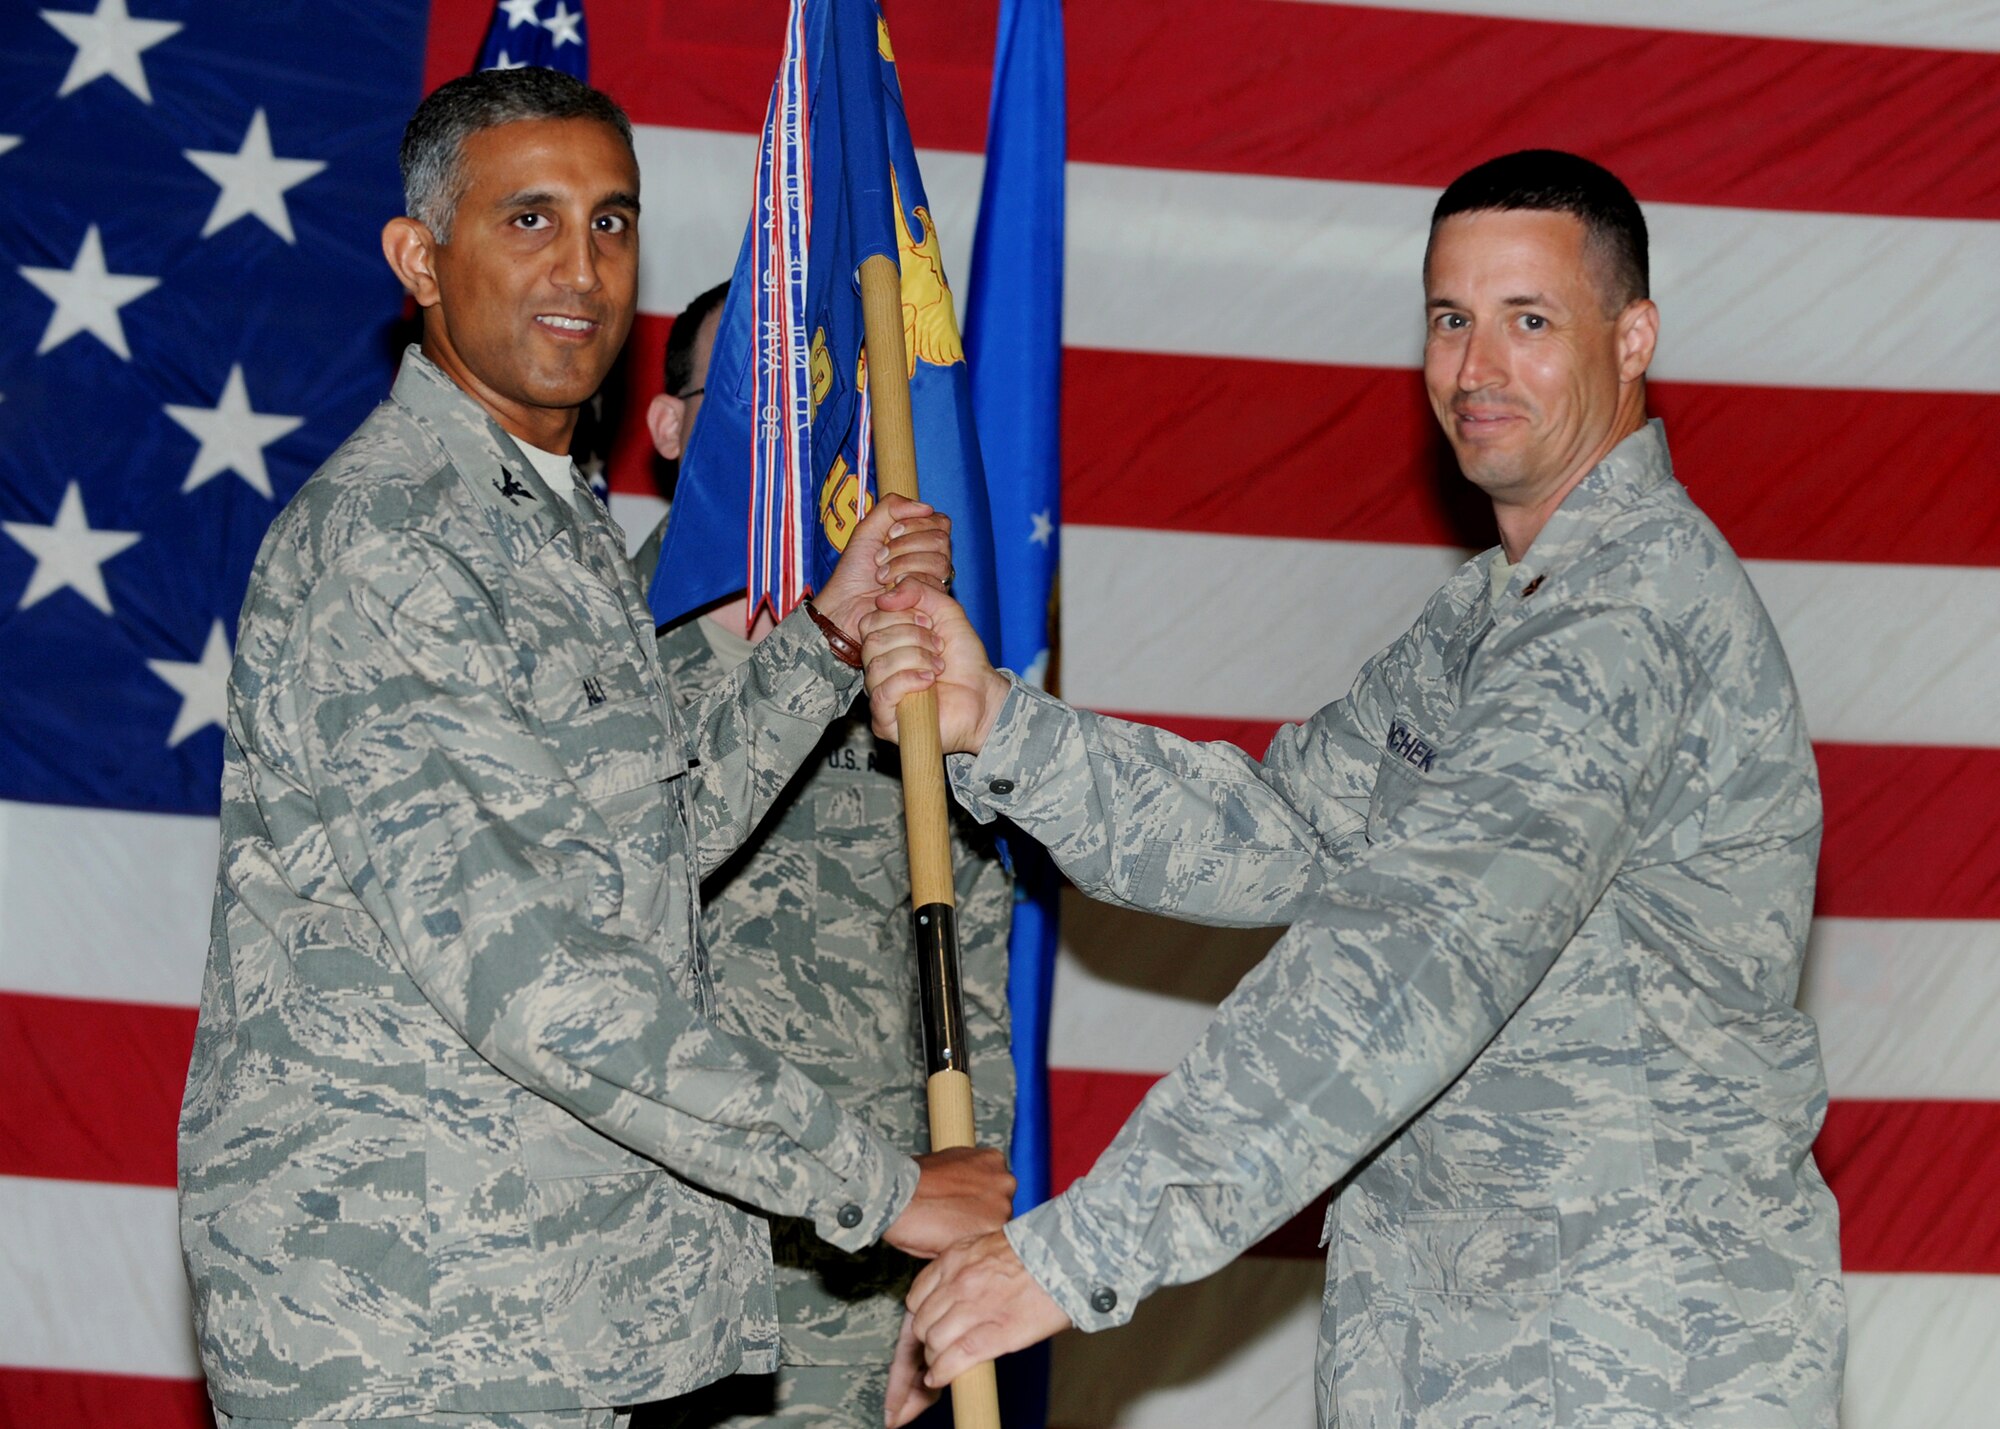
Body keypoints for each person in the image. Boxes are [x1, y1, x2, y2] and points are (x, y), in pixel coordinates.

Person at [866, 149, 1843, 1426]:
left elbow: (1412, 952)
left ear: (1632, 337)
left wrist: (1073, 1254)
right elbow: (1282, 830)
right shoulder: (1490, 616)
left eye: (1528, 321)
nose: (1475, 368)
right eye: (1449, 319)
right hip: (1465, 1348)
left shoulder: (1626, 616)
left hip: (1626, 1355)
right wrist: (996, 723)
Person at [176, 66, 1013, 1427]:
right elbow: (527, 966)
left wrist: (821, 640)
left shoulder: (543, 522)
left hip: (532, 1303)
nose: (581, 269)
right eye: (529, 220)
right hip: (407, 1315)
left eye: (610, 223)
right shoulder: (393, 537)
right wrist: (878, 1183)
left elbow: (637, 852)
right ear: (419, 260)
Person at [625, 282, 1014, 1429]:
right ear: (670, 427)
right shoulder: (592, 647)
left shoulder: (907, 667)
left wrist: (950, 1275)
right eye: (744, 393)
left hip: (848, 1280)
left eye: (812, 399)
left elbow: (967, 980)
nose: (782, 427)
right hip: (626, 1258)